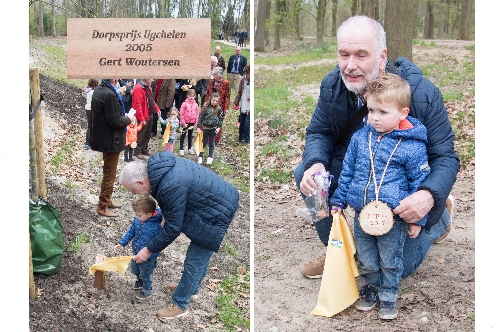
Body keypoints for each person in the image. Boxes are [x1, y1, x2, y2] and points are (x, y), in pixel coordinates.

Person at [294, 15, 459, 290]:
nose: (350, 65)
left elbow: (445, 157)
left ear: (382, 57)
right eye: (343, 54)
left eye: (361, 55)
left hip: (403, 185)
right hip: (358, 172)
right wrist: (315, 163)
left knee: (397, 267)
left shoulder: (422, 94)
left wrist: (429, 195)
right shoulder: (332, 86)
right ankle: (339, 249)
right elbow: (320, 132)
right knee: (308, 175)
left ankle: (440, 219)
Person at [330, 73, 430, 320]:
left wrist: (418, 219)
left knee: (390, 257)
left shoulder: (412, 146)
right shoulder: (359, 139)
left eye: (383, 112)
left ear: (403, 113)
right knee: (366, 257)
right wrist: (339, 200)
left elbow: (419, 184)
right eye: (371, 110)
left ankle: (388, 293)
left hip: (392, 218)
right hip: (362, 213)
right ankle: (372, 286)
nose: (374, 117)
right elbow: (348, 172)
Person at [119, 154, 239, 320]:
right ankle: (191, 289)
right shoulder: (157, 171)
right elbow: (174, 202)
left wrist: (148, 249)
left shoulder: (169, 184)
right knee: (197, 258)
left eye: (133, 190)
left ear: (140, 182)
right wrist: (167, 213)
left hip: (218, 209)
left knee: (195, 259)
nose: (134, 194)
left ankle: (180, 304)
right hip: (211, 200)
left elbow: (173, 228)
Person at [90, 79, 133, 217]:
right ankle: (102, 206)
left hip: (105, 138)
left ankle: (107, 200)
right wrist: (129, 119)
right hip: (111, 140)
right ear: (114, 78)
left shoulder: (100, 89)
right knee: (110, 174)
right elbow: (115, 121)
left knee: (109, 173)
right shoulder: (108, 94)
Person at [114, 195, 163, 300]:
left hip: (149, 256)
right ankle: (139, 280)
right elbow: (131, 231)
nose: (136, 217)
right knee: (134, 269)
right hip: (137, 251)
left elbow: (162, 239)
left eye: (139, 215)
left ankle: (147, 290)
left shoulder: (158, 224)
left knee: (145, 273)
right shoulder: (138, 220)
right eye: (136, 214)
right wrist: (122, 242)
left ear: (149, 214)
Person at [132, 79, 160, 160]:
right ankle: (137, 151)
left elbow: (151, 100)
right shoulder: (138, 88)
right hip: (143, 115)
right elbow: (138, 105)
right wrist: (141, 118)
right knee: (141, 134)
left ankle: (144, 149)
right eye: (151, 78)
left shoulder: (148, 87)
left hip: (149, 113)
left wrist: (157, 109)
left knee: (147, 133)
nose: (153, 79)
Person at [205, 67, 231, 144]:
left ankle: (216, 139)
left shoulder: (226, 83)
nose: (213, 75)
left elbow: (227, 96)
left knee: (218, 121)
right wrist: (206, 103)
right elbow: (208, 93)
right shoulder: (211, 81)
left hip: (220, 105)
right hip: (210, 103)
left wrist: (226, 107)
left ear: (219, 74)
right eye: (213, 73)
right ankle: (208, 137)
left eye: (215, 74)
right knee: (209, 119)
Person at [197, 92, 223, 165]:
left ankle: (210, 156)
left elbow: (221, 119)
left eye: (216, 101)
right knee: (203, 142)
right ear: (210, 99)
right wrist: (198, 127)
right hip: (205, 128)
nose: (215, 102)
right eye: (213, 100)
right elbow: (200, 117)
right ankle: (200, 156)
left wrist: (218, 127)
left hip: (213, 129)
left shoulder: (219, 109)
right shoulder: (205, 107)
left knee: (212, 143)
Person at [178, 89, 200, 156]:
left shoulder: (196, 104)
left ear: (195, 96)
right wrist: (183, 122)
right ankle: (181, 149)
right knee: (183, 135)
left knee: (190, 136)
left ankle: (189, 148)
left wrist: (196, 122)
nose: (191, 97)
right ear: (187, 95)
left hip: (192, 122)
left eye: (193, 96)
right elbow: (181, 113)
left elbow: (197, 114)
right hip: (186, 122)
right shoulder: (184, 104)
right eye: (190, 95)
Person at [233, 64, 250, 145]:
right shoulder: (243, 80)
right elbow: (239, 92)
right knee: (241, 121)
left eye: (249, 74)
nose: (248, 76)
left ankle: (247, 139)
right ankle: (241, 137)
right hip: (243, 104)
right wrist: (236, 102)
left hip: (250, 106)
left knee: (247, 123)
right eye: (247, 74)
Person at [83, 78, 99, 150]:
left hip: (87, 109)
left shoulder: (88, 90)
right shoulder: (93, 92)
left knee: (89, 126)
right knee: (93, 127)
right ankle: (90, 143)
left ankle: (87, 143)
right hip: (92, 109)